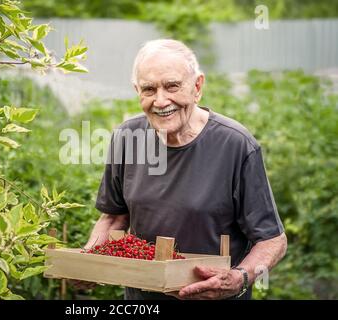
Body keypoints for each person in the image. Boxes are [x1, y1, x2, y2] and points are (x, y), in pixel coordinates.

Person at [83, 39, 287, 300]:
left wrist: (239, 279)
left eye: (172, 86)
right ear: (137, 91)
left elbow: (272, 240)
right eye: (148, 89)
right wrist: (89, 265)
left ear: (197, 87)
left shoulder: (236, 145)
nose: (160, 100)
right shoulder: (127, 138)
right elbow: (113, 217)